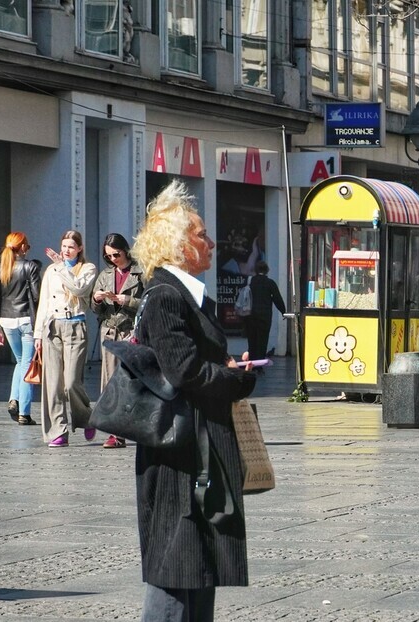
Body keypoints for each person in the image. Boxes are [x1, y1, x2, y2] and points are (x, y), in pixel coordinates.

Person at [130, 180, 257, 622]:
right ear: (179, 245)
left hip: (196, 447)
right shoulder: (167, 297)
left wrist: (226, 367)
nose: (211, 242)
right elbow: (184, 371)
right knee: (177, 562)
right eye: (202, 235)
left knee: (198, 563)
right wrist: (234, 378)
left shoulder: (187, 297)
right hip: (179, 454)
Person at [33, 231, 97, 448]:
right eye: (64, 246)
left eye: (71, 247)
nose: (66, 250)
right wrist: (38, 334)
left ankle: (86, 417)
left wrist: (62, 266)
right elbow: (44, 303)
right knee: (53, 383)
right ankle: (58, 430)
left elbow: (78, 288)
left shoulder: (87, 269)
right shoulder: (51, 270)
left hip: (75, 326)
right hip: (53, 327)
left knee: (71, 383)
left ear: (79, 249)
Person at [91, 233, 145, 448]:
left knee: (131, 382)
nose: (113, 259)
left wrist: (128, 300)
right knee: (111, 383)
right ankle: (115, 434)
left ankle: (139, 426)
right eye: (108, 256)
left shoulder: (140, 272)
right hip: (110, 331)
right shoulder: (105, 275)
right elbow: (95, 309)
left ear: (125, 250)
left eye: (116, 254)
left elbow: (151, 301)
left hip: (132, 332)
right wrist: (96, 299)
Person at [0, 232, 43, 425]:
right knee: (27, 365)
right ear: (22, 247)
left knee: (21, 361)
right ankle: (24, 412)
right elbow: (37, 296)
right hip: (26, 320)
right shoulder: (31, 267)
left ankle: (14, 399)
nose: (27, 249)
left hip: (6, 320)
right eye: (27, 246)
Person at [242, 260, 287, 371]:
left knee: (252, 341)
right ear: (266, 270)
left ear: (256, 270)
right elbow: (277, 299)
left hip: (250, 316)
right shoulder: (270, 283)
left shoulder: (250, 282)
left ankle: (251, 364)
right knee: (262, 341)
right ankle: (259, 365)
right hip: (265, 317)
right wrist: (283, 311)